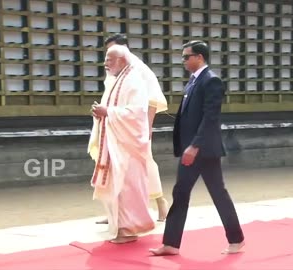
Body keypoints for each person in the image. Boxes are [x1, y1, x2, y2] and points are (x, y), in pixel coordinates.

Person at [149, 40, 245, 256]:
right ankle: (171, 243)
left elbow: (210, 118)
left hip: (204, 149)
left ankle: (236, 239)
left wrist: (194, 145)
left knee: (218, 194)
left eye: (186, 56)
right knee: (181, 192)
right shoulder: (193, 82)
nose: (183, 61)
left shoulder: (211, 81)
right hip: (190, 150)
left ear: (199, 57)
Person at [96, 34, 169, 223]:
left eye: (113, 52)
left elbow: (151, 98)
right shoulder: (113, 67)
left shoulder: (138, 69)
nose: (108, 58)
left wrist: (148, 125)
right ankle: (113, 211)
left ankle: (161, 204)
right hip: (113, 122)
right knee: (111, 165)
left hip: (134, 126)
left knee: (145, 163)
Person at [87, 45, 155, 243]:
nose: (105, 63)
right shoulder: (118, 80)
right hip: (116, 143)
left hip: (127, 146)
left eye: (110, 59)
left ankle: (129, 229)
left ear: (122, 60)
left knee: (127, 187)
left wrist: (108, 112)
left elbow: (137, 113)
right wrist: (101, 112)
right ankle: (121, 228)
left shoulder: (133, 80)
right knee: (117, 186)